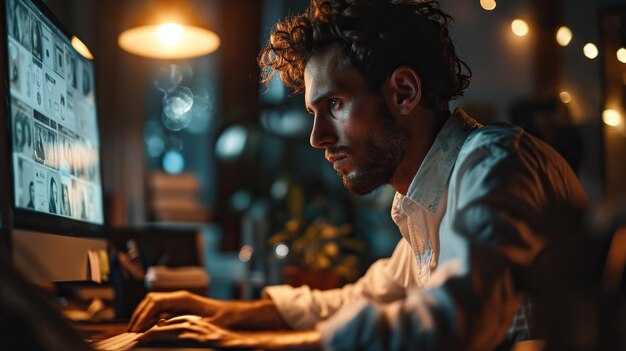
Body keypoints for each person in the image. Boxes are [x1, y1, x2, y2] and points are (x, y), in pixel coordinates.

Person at [128, 1, 588, 349]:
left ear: (404, 93)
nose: (317, 137)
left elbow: (454, 320)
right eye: (313, 111)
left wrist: (239, 342)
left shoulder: (496, 162)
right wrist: (217, 313)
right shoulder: (424, 202)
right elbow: (360, 300)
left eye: (334, 105)